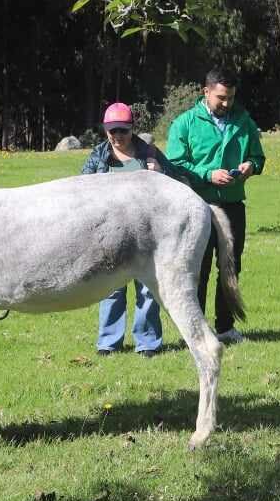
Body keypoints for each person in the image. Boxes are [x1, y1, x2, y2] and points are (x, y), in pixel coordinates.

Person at [165, 67, 265, 344]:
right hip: (196, 206)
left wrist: (251, 166)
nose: (226, 103)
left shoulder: (243, 122)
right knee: (198, 268)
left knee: (230, 268)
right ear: (205, 91)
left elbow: (258, 157)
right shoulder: (184, 124)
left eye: (231, 98)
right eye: (221, 97)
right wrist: (209, 174)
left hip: (233, 205)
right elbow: (174, 165)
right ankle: (195, 331)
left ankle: (225, 328)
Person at [82, 102, 170, 357]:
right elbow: (81, 188)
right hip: (109, 233)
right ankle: (108, 343)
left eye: (123, 130)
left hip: (145, 233)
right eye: (112, 131)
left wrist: (159, 172)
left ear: (132, 129)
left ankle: (148, 343)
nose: (117, 136)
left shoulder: (150, 153)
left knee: (147, 289)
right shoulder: (99, 155)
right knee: (111, 289)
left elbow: (174, 184)